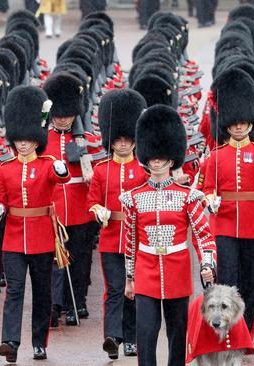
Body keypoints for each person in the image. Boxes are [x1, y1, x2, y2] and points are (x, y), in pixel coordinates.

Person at [121, 105, 217, 366]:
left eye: (161, 156)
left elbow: (203, 235)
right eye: (152, 156)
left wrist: (207, 264)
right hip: (146, 271)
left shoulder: (188, 196)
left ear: (171, 158)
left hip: (176, 270)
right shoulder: (134, 198)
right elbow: (130, 242)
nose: (155, 161)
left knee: (177, 336)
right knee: (146, 333)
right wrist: (130, 278)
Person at [203, 68, 254, 332]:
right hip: (225, 224)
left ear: (251, 122)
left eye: (243, 122)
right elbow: (207, 187)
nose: (238, 126)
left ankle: (246, 331)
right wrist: (210, 199)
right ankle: (227, 330)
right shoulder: (216, 155)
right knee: (227, 280)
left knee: (251, 281)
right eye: (234, 122)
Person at [0, 86, 70, 362]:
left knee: (41, 292)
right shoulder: (5, 168)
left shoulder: (47, 164)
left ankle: (39, 342)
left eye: (28, 139)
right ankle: (10, 342)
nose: (23, 144)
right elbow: (2, 200)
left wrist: (61, 170)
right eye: (19, 139)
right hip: (13, 238)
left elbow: (58, 179)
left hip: (41, 236)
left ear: (37, 139)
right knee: (14, 291)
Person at [88, 89, 149, 360]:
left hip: (137, 237)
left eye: (127, 140)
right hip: (111, 235)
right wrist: (99, 210)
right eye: (118, 140)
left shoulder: (143, 169)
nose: (123, 145)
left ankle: (132, 337)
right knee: (114, 288)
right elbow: (92, 201)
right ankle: (112, 337)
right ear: (110, 142)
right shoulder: (102, 170)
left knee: (133, 289)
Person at [43, 72, 97, 326]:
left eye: (68, 114)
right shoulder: (42, 139)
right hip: (53, 209)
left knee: (79, 258)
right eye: (59, 114)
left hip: (80, 208)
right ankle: (55, 303)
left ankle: (78, 302)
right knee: (55, 258)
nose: (63, 119)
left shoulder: (88, 141)